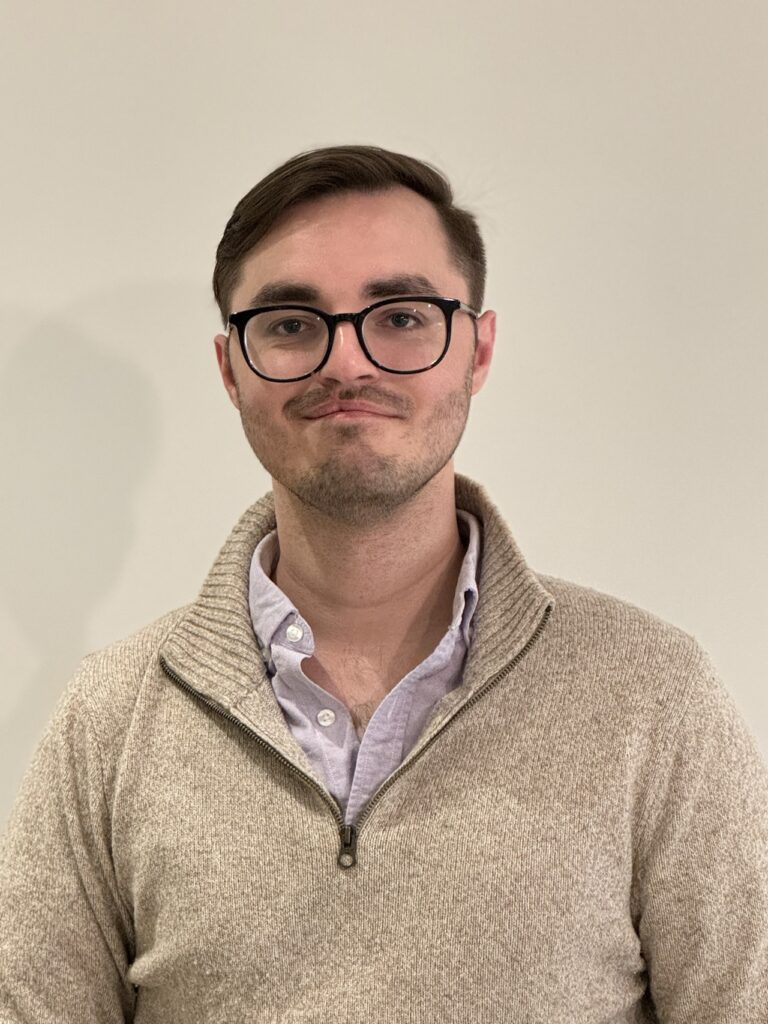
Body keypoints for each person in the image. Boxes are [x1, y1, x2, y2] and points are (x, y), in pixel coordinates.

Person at [1, 145, 766, 1024]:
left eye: (400, 316)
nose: (347, 363)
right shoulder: (107, 720)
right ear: (229, 370)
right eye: (291, 323)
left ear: (477, 350)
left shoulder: (650, 695)